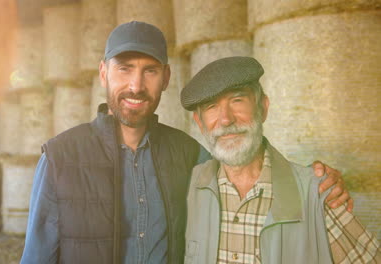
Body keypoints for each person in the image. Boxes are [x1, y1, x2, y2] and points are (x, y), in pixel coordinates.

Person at [20, 22, 351, 264]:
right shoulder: (60, 158)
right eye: (124, 69)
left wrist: (315, 185)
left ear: (165, 78)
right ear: (104, 73)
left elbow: (249, 176)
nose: (136, 85)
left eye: (149, 71)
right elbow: (37, 257)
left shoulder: (192, 155)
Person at [181, 57, 380, 264]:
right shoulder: (186, 187)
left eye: (237, 100)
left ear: (263, 108)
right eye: (211, 106)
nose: (225, 119)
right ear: (200, 123)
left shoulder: (316, 193)